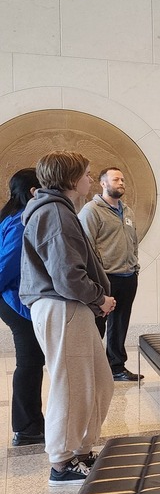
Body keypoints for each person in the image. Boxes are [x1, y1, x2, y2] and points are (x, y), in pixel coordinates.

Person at [20, 151, 115, 485]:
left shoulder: (59, 210)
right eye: (87, 174)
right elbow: (67, 276)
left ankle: (82, 449)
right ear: (73, 179)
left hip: (68, 307)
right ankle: (62, 462)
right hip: (62, 305)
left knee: (98, 382)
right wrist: (100, 297)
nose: (91, 179)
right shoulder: (55, 214)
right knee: (71, 386)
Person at [78, 166, 142, 382]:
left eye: (123, 179)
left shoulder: (128, 211)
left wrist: (135, 266)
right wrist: (95, 277)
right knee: (97, 324)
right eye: (116, 179)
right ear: (103, 183)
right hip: (105, 278)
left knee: (120, 323)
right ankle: (92, 370)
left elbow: (133, 242)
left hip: (128, 276)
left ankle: (116, 367)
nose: (121, 182)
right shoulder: (91, 211)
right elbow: (86, 247)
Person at [0, 169, 45, 446]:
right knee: (29, 364)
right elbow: (8, 263)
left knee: (32, 363)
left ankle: (31, 423)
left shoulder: (12, 216)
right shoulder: (20, 222)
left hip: (13, 298)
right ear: (33, 191)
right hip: (14, 300)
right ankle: (26, 428)